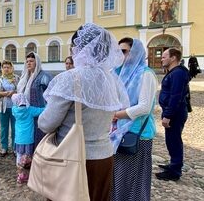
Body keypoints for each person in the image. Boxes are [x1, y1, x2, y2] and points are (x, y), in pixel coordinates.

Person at [38, 23, 129, 201]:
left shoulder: (70, 78)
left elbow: (46, 123)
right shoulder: (111, 79)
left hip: (72, 159)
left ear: (80, 48)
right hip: (104, 158)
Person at [110, 37, 158, 200]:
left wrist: (116, 114)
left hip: (138, 134)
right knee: (119, 178)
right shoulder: (120, 73)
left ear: (135, 52)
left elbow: (144, 107)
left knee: (134, 181)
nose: (120, 55)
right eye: (118, 51)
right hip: (118, 134)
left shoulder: (145, 74)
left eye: (124, 51)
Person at [157, 48, 190, 181]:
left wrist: (168, 115)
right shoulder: (174, 72)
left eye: (164, 57)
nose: (162, 59)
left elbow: (176, 96)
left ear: (173, 58)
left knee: (174, 140)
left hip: (175, 114)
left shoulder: (178, 74)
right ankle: (173, 164)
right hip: (171, 112)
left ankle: (175, 171)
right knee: (171, 140)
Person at [17, 52, 52, 149]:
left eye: (31, 61)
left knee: (39, 135)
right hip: (27, 113)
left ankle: (38, 157)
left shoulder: (44, 76)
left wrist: (47, 108)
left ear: (37, 62)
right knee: (28, 136)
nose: (28, 63)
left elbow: (51, 94)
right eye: (27, 61)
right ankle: (28, 156)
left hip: (40, 112)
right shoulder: (25, 76)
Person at [11, 93, 44, 184]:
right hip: (29, 139)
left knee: (19, 156)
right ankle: (30, 174)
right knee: (28, 156)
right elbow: (41, 110)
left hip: (19, 139)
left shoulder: (14, 110)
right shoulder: (30, 110)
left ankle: (20, 175)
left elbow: (15, 106)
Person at [0, 60, 19, 157]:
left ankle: (15, 147)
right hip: (3, 107)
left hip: (15, 107)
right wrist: (6, 93)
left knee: (15, 128)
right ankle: (4, 147)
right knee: (4, 128)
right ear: (2, 69)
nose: (6, 69)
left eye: (8, 67)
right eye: (4, 67)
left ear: (12, 68)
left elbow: (20, 91)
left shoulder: (17, 78)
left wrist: (13, 93)